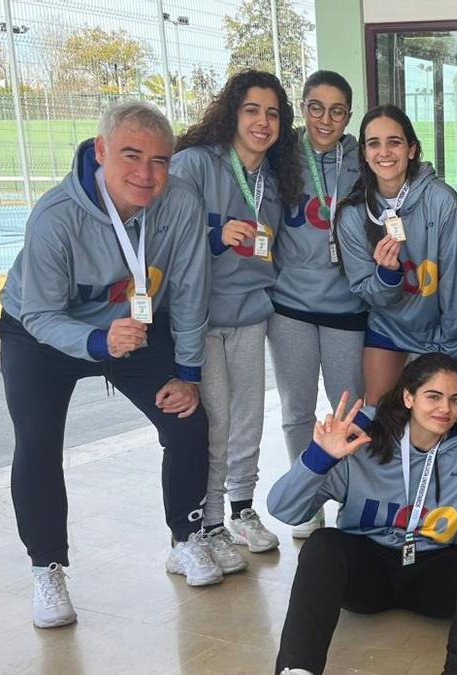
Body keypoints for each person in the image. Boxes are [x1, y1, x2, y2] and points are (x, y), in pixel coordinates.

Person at [0, 101, 218, 627]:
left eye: (160, 161)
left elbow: (190, 292)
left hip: (133, 331)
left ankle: (186, 538)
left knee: (188, 418)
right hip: (42, 334)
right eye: (131, 155)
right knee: (37, 443)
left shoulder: (181, 200)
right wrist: (97, 341)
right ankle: (46, 566)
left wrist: (189, 374)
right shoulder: (56, 216)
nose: (147, 174)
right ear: (100, 152)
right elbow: (40, 313)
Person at [269, 355, 457, 674]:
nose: (445, 408)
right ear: (408, 397)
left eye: (455, 399)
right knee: (321, 545)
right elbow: (284, 509)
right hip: (369, 570)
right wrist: (319, 457)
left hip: (430, 570)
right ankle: (297, 669)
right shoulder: (362, 446)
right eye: (433, 396)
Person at [172, 69, 300, 569]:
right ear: (231, 113)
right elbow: (162, 229)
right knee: (217, 422)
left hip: (251, 314)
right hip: (199, 320)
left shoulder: (273, 179)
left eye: (272, 114)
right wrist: (215, 231)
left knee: (248, 418)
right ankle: (208, 521)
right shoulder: (195, 164)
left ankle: (242, 509)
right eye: (252, 110)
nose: (262, 122)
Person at [269, 70, 365, 539]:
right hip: (290, 305)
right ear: (302, 108)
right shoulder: (281, 155)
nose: (326, 119)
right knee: (297, 410)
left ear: (349, 116)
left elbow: (403, 169)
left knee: (348, 409)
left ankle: (353, 493)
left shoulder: (359, 158)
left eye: (337, 110)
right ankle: (305, 497)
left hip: (348, 305)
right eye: (315, 107)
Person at [335, 105, 457, 404]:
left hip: (439, 331)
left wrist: (448, 346)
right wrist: (386, 275)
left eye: (394, 142)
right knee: (378, 414)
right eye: (374, 143)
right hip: (388, 327)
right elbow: (368, 292)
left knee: (441, 416)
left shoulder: (440, 199)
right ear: (364, 154)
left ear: (411, 149)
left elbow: (456, 283)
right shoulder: (353, 213)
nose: (384, 152)